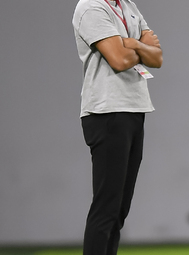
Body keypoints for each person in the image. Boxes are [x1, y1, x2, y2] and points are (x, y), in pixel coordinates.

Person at [72, 0, 162, 254]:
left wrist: (131, 44)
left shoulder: (128, 6)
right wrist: (139, 46)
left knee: (119, 210)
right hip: (107, 111)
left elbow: (157, 57)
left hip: (134, 109)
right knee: (107, 208)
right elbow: (120, 59)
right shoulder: (91, 7)